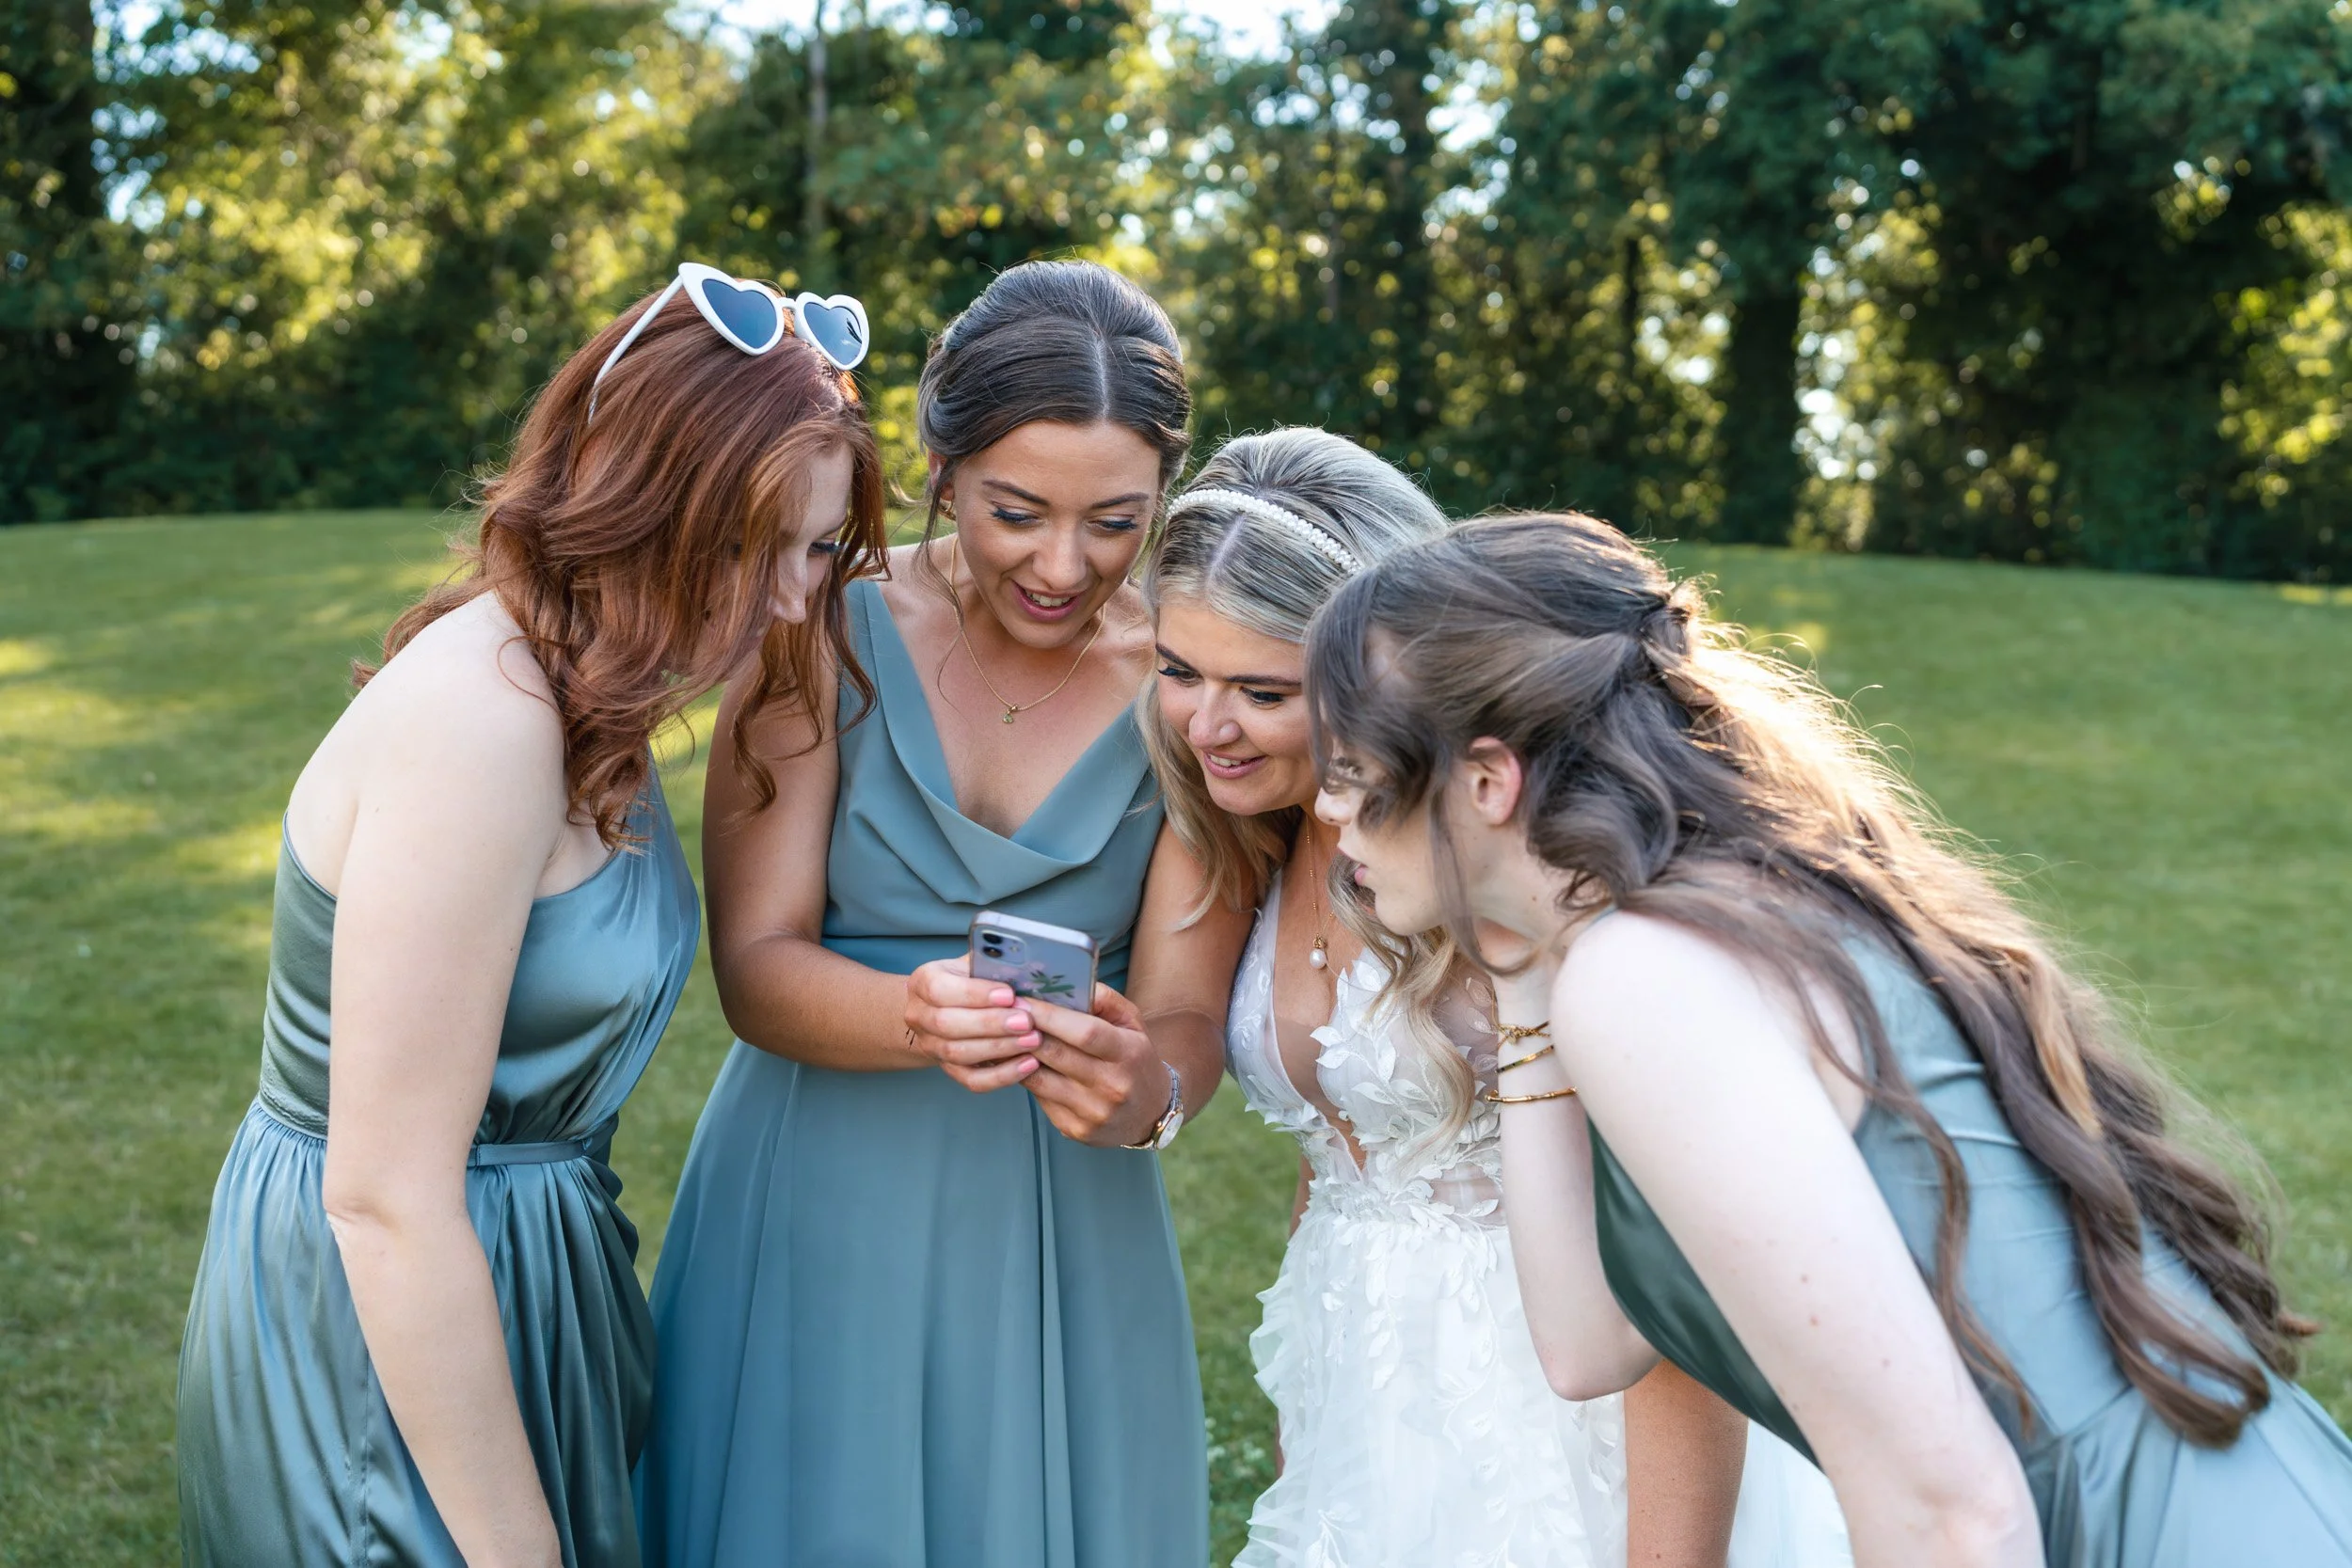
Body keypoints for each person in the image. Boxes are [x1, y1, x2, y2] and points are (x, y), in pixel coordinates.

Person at [1306, 512, 2352, 1568]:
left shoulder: (1651, 973)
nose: (1326, 805)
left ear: (1488, 781)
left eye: (1349, 767)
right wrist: (1520, 970)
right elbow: (1588, 1346)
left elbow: (1954, 1511)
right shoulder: (1685, 923)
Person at [175, 263, 888, 1567]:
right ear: (636, 504)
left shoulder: (591, 686)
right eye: (752, 546)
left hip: (517, 1284)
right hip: (388, 1329)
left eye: (818, 547)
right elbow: (385, 1197)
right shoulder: (485, 720)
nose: (794, 597)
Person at [1141, 434, 1850, 1568]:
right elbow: (1348, 1153)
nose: (1206, 726)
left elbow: (1674, 1293)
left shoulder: (1530, 881)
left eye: (1264, 691)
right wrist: (1317, 1432)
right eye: (1178, 670)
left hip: (1571, 1420)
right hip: (1371, 1403)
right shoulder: (1255, 825)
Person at [637, 261, 1242, 1568]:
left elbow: (1188, 1013)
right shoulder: (818, 625)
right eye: (1016, 511)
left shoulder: (1194, 685)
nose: (1063, 565)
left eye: (1116, 522)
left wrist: (1150, 1094)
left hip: (1061, 1223)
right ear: (940, 466)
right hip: (811, 1195)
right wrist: (915, 1014)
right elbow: (755, 964)